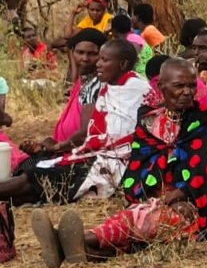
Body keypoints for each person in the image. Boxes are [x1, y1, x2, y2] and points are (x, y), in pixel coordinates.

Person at [32, 59, 207, 268]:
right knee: (140, 217)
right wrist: (153, 195)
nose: (187, 92)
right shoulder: (148, 120)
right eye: (179, 86)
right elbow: (141, 162)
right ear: (161, 86)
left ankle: (70, 239)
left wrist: (181, 193)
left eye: (192, 85)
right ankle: (79, 249)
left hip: (193, 206)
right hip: (152, 196)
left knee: (141, 218)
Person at [0, 40, 150, 206]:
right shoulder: (107, 87)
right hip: (93, 153)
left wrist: (59, 147)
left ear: (122, 64)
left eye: (104, 60)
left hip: (114, 162)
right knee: (33, 179)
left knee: (35, 177)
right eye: (99, 58)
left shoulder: (137, 89)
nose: (98, 64)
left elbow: (120, 137)